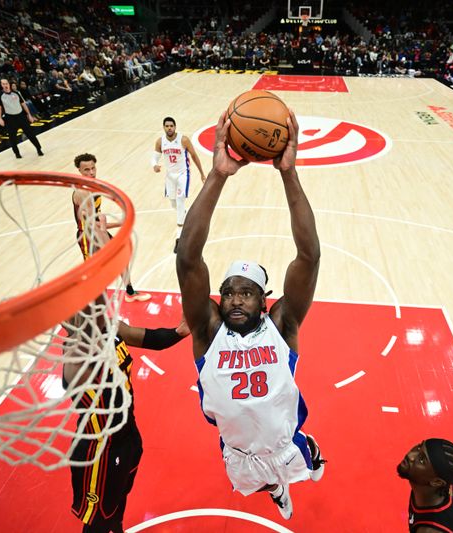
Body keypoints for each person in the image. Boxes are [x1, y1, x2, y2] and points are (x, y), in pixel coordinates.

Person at [176, 111, 325, 520]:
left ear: (265, 300)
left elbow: (309, 257)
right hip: (238, 449)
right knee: (262, 485)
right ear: (218, 299)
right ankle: (276, 486)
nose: (236, 301)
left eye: (247, 293)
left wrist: (289, 175)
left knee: (306, 467)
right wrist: (217, 175)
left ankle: (307, 449)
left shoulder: (283, 325)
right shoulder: (208, 331)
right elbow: (188, 258)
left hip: (284, 440)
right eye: (228, 293)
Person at [63, 252, 189, 533]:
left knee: (118, 503)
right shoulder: (75, 355)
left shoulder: (110, 327)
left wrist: (178, 332)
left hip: (128, 436)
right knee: (96, 521)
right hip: (99, 449)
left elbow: (148, 339)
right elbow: (72, 379)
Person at [72, 153, 152, 303]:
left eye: (93, 168)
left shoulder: (94, 186)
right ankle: (84, 301)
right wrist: (119, 223)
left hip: (98, 230)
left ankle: (130, 292)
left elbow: (97, 220)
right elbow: (92, 224)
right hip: (87, 236)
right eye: (86, 170)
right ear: (79, 171)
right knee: (93, 272)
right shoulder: (82, 192)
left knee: (120, 257)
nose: (91, 173)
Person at [397, 438, 453, 533]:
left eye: (421, 460)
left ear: (437, 482)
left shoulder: (429, 530)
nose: (411, 456)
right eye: (419, 447)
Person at [152, 117, 206, 253]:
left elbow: (194, 156)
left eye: (171, 126)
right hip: (170, 176)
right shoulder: (160, 142)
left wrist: (201, 173)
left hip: (183, 174)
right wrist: (154, 165)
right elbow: (155, 157)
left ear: (175, 127)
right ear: (163, 127)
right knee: (173, 203)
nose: (169, 128)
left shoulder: (184, 140)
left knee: (180, 201)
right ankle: (184, 214)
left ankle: (179, 237)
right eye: (167, 126)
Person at [0, 78, 43, 159]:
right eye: (3, 84)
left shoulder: (16, 93)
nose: (5, 85)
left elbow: (23, 104)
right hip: (10, 118)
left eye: (6, 83)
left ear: (8, 84)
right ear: (1, 85)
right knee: (12, 138)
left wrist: (29, 115)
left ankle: (39, 149)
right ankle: (17, 153)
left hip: (21, 116)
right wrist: (0, 118)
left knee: (30, 134)